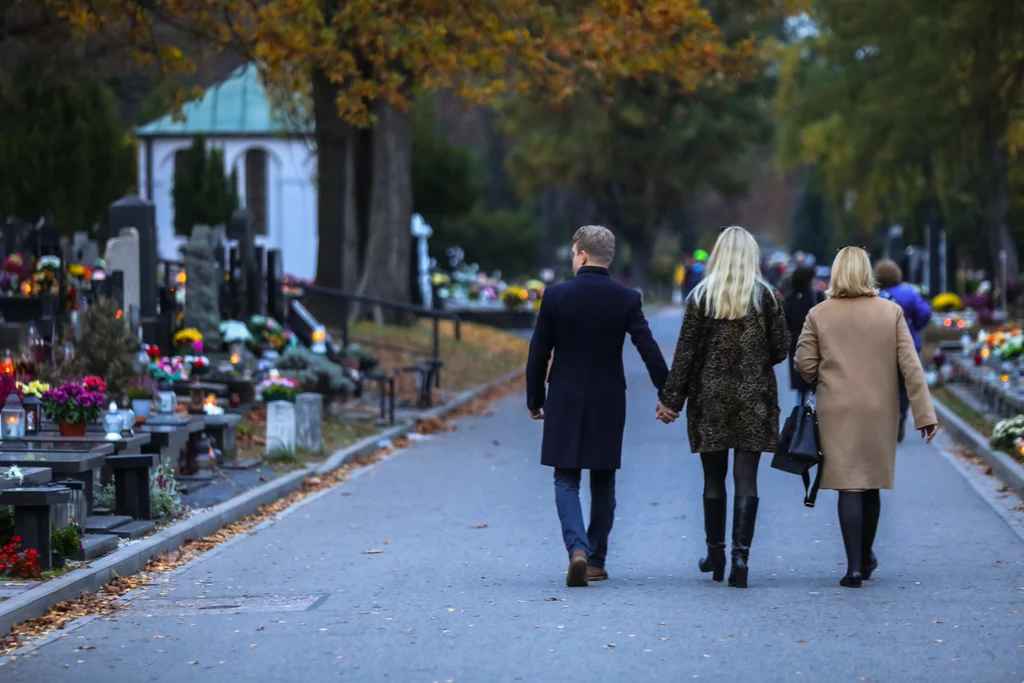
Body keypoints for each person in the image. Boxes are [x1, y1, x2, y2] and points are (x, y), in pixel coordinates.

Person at [526, 225, 670, 587]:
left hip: (565, 395)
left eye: (575, 253)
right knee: (604, 477)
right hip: (608, 397)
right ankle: (596, 558)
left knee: (566, 476)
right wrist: (668, 392)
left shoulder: (556, 296)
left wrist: (535, 399)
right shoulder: (626, 298)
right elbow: (648, 348)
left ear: (583, 255)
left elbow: (538, 352)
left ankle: (576, 548)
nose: (574, 258)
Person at [795, 247, 938, 588]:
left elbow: (803, 364)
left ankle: (853, 567)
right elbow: (910, 367)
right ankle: (866, 554)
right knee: (871, 482)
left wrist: (822, 374)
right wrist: (924, 415)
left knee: (848, 484)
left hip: (836, 407)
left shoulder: (819, 313)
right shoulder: (891, 313)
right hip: (880, 408)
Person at [656, 226, 790, 589]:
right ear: (752, 258)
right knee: (747, 478)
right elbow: (780, 349)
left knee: (713, 479)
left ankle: (715, 553)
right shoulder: (768, 299)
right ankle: (740, 558)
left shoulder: (702, 297)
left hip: (710, 398)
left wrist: (671, 400)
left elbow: (686, 354)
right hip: (754, 398)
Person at [874, 259, 932, 442]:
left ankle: (886, 418)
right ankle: (901, 415)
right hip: (907, 345)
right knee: (904, 385)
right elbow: (925, 312)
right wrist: (914, 326)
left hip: (882, 348)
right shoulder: (909, 293)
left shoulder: (875, 296)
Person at [784, 266, 824, 407]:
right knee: (816, 390)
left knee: (801, 394)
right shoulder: (817, 298)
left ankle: (800, 420)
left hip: (796, 348)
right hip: (816, 347)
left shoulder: (788, 300)